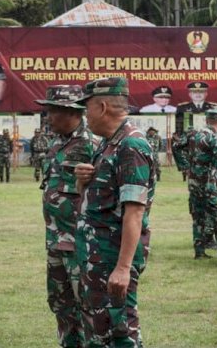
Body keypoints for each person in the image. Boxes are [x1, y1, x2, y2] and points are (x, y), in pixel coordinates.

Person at [74, 77, 155, 347]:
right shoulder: (108, 143)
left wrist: (123, 268)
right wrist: (82, 181)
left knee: (121, 332)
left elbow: (134, 212)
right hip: (97, 256)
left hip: (112, 259)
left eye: (86, 108)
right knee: (99, 331)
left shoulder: (131, 146)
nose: (85, 116)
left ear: (102, 107)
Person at [35, 84, 96, 347]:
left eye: (52, 111)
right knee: (61, 305)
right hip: (56, 241)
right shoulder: (56, 143)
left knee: (89, 309)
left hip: (81, 245)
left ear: (71, 112)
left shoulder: (94, 144)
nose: (47, 117)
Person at [186, 109, 217, 258]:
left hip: (193, 182)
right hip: (208, 184)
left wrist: (185, 165)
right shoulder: (215, 138)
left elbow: (178, 147)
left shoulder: (194, 135)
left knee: (198, 218)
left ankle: (199, 252)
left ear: (207, 119)